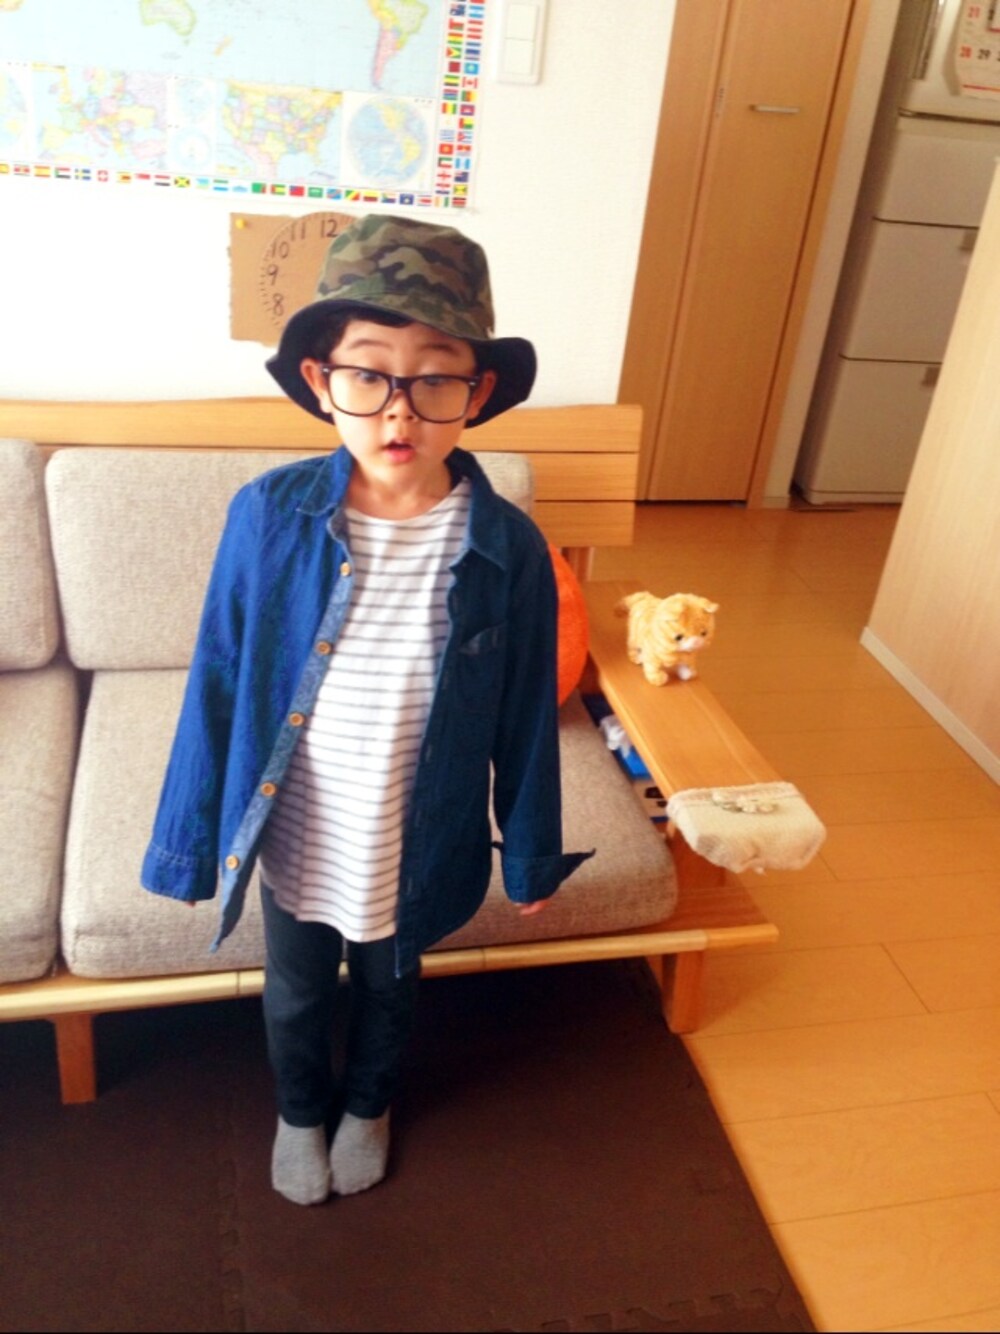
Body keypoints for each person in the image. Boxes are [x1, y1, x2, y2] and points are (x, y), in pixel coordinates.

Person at [141, 214, 592, 1207]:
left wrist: (528, 853)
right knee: (298, 985)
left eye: (434, 380)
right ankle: (301, 1107)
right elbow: (219, 678)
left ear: (476, 392)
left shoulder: (507, 545)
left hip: (415, 827)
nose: (400, 411)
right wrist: (185, 844)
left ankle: (370, 1103)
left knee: (391, 983)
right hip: (299, 819)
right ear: (320, 381)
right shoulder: (267, 514)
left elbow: (524, 715)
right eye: (369, 375)